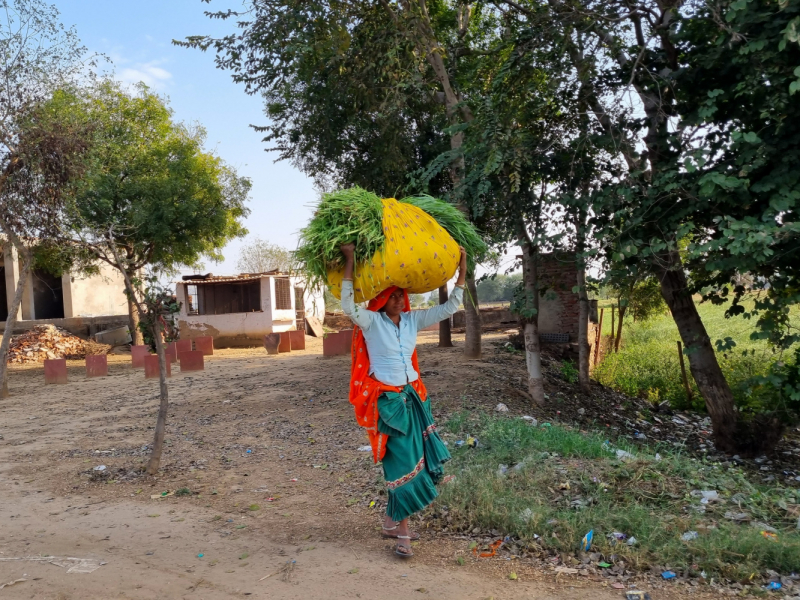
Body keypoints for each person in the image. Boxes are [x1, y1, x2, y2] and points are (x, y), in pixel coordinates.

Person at [339, 242, 467, 558]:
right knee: (401, 463)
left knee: (414, 459)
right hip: (388, 403)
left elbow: (450, 307)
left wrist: (463, 268)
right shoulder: (371, 322)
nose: (397, 300)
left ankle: (390, 521)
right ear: (382, 299)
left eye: (401, 296)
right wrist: (351, 259)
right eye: (392, 296)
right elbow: (347, 305)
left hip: (414, 398)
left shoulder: (412, 321)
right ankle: (404, 533)